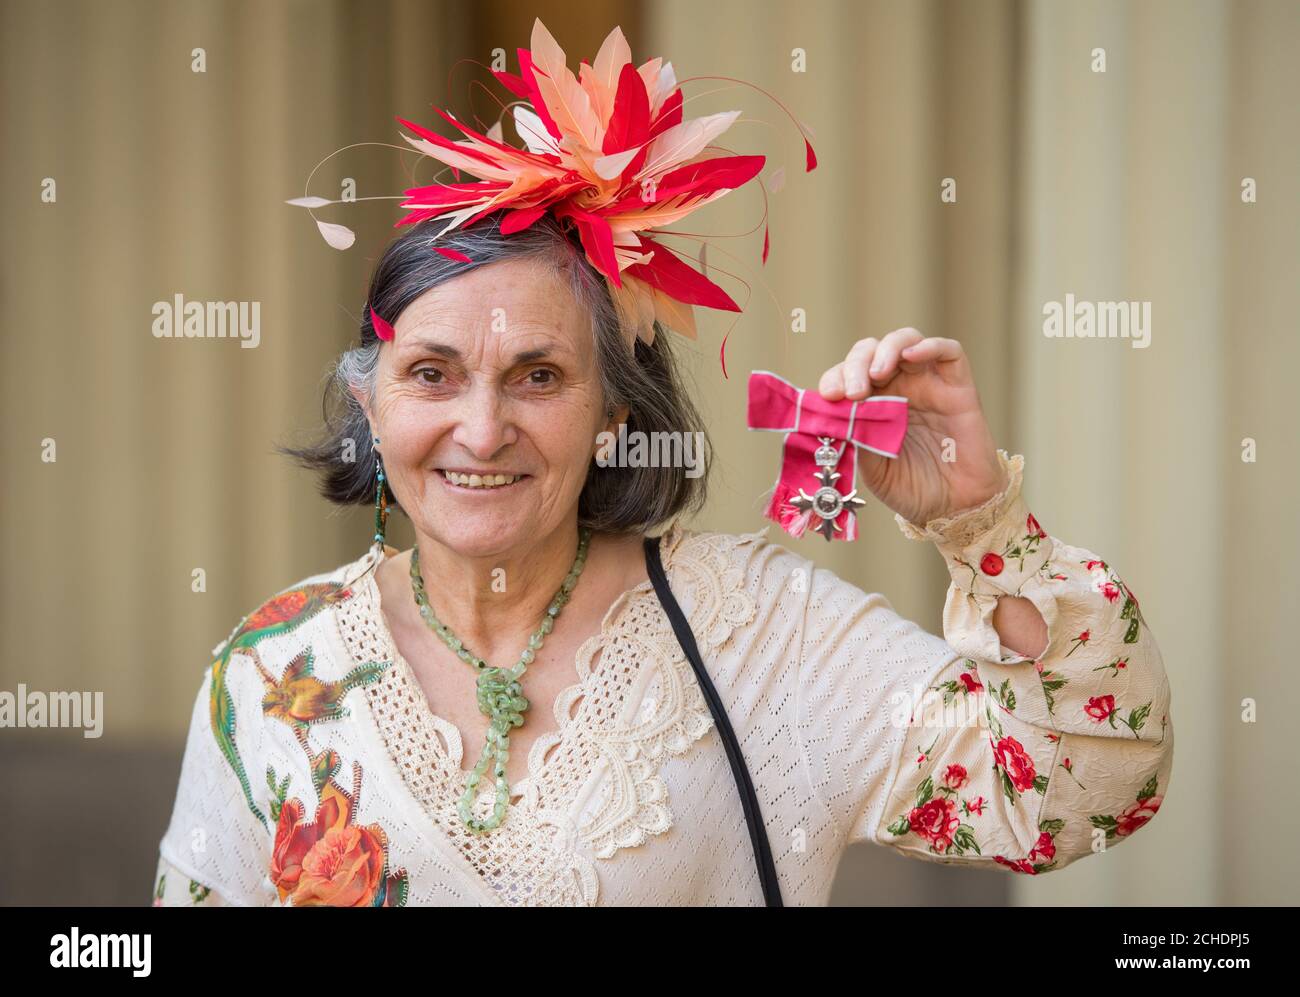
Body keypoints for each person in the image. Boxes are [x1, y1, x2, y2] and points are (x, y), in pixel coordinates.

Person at [151, 212, 1173, 906]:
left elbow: (1078, 786)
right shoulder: (271, 670)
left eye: (538, 376)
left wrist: (978, 525)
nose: (481, 426)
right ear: (373, 408)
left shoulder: (767, 631)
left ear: (611, 416)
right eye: (432, 374)